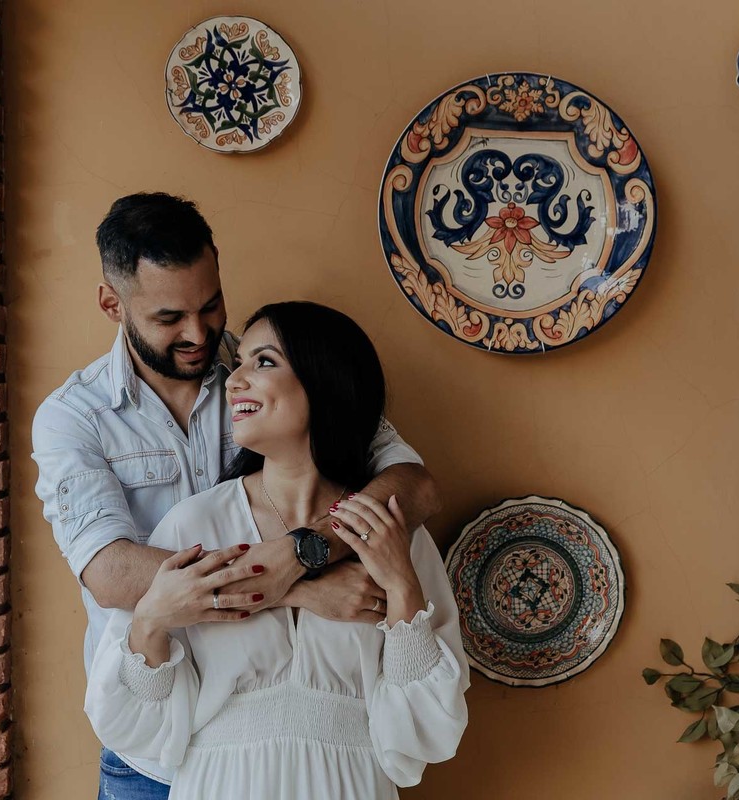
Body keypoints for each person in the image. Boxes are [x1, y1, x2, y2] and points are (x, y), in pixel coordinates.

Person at [31, 193, 442, 798]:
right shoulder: (75, 417)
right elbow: (111, 574)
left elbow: (414, 486)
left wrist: (303, 548)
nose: (198, 333)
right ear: (112, 304)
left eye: (211, 305)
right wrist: (296, 586)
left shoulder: (267, 370)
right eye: (169, 318)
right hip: (153, 738)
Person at [85, 301, 469, 799]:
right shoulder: (194, 524)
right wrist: (150, 619)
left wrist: (401, 587)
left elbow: (425, 733)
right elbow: (142, 727)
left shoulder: (390, 532)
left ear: (324, 380)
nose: (234, 381)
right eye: (238, 363)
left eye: (263, 361)